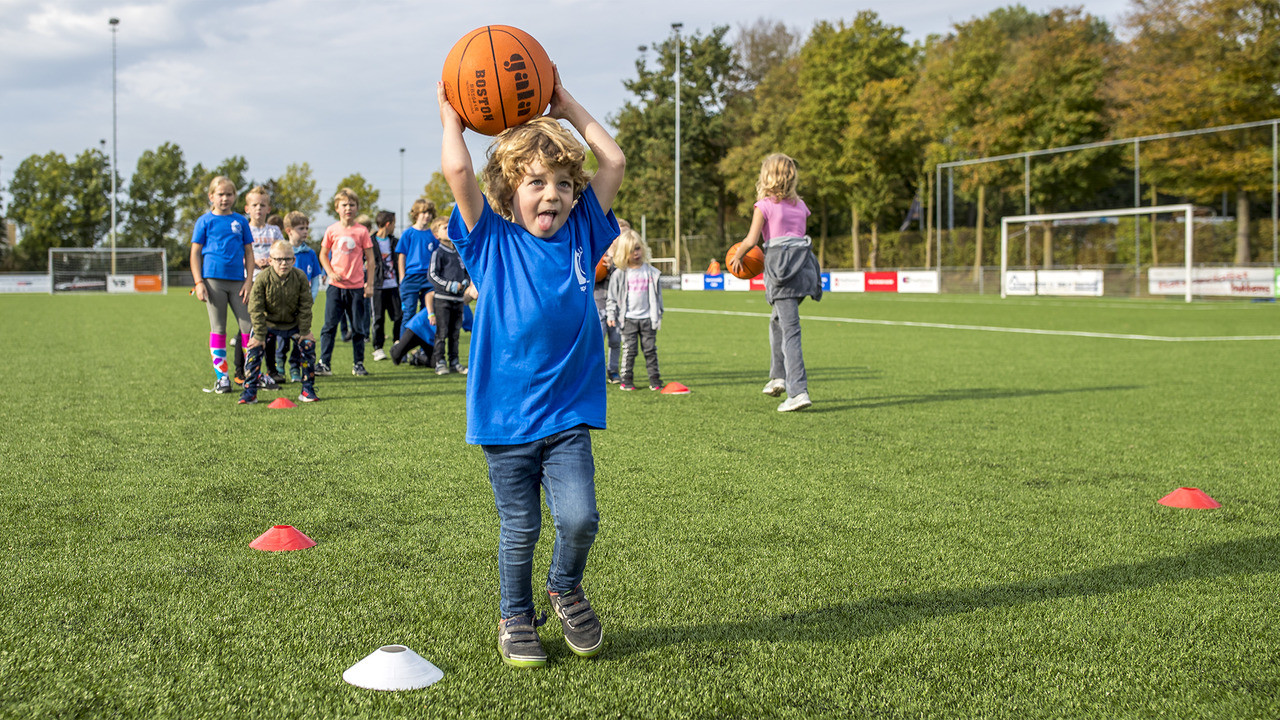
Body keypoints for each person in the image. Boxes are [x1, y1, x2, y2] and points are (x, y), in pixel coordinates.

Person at [437, 65, 625, 668]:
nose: (553, 194)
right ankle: (515, 617)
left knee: (580, 517)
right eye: (537, 182)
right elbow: (460, 169)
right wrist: (452, 119)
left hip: (566, 418)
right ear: (508, 192)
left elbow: (613, 162)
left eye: (565, 183)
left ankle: (564, 586)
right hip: (505, 419)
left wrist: (565, 102)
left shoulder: (582, 235)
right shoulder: (489, 240)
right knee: (519, 530)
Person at [728, 153, 823, 412]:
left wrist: (737, 256)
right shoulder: (801, 205)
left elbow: (751, 240)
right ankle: (778, 376)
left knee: (790, 331)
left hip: (781, 271)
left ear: (766, 176)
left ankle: (798, 391)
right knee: (778, 322)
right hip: (803, 269)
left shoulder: (765, 205)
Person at [190, 176, 254, 395]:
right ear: (211, 197)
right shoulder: (204, 221)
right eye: (220, 194)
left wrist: (248, 281)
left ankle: (251, 375)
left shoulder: (241, 221)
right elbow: (195, 253)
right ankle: (222, 378)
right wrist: (199, 282)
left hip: (238, 282)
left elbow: (249, 252)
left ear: (235, 197)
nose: (225, 198)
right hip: (212, 281)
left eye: (229, 194)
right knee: (219, 329)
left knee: (248, 327)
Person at [240, 240, 319, 404]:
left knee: (308, 345)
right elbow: (255, 308)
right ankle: (250, 392)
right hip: (268, 325)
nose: (283, 263)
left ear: (294, 260)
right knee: (253, 348)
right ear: (270, 261)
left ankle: (307, 389)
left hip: (293, 324)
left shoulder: (300, 277)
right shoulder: (262, 278)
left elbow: (306, 305)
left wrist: (304, 331)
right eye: (278, 259)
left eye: (288, 259)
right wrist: (260, 335)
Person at [317, 188, 375, 377]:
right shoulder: (332, 230)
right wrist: (330, 273)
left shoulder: (362, 231)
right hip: (336, 287)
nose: (348, 208)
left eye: (352, 205)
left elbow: (371, 260)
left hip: (357, 288)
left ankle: (358, 364)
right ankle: (324, 363)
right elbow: (323, 254)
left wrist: (370, 283)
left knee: (358, 328)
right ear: (337, 208)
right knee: (329, 326)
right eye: (344, 205)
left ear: (357, 208)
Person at [605, 228, 664, 391]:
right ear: (624, 253)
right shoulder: (620, 274)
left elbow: (658, 298)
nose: (635, 253)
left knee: (650, 350)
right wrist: (611, 314)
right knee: (629, 351)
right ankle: (626, 380)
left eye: (637, 248)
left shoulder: (652, 273)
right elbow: (612, 297)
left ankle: (655, 380)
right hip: (628, 319)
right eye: (631, 251)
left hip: (647, 319)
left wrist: (658, 315)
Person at [242, 186, 285, 387]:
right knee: (248, 327)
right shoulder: (244, 228)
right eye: (254, 205)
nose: (258, 208)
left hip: (271, 284)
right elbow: (238, 255)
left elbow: (282, 251)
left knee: (270, 329)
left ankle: (272, 369)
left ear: (268, 209)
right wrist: (252, 262)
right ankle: (242, 369)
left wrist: (272, 260)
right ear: (247, 208)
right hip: (250, 284)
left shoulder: (274, 230)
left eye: (262, 205)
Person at [278, 211, 324, 383]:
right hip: (285, 305)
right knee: (282, 337)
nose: (305, 231)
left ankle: (294, 367)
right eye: (301, 228)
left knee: (301, 336)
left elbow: (315, 278)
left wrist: (310, 299)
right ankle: (279, 365)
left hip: (303, 305)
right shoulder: (284, 252)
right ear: (289, 230)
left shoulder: (310, 253)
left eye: (307, 228)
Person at [428, 230, 471, 374]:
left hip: (458, 300)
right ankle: (440, 362)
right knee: (442, 333)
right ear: (436, 234)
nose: (448, 229)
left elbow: (466, 271)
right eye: (444, 227)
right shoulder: (438, 253)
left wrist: (465, 283)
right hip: (442, 300)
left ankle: (454, 362)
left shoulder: (459, 253)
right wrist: (450, 285)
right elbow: (432, 275)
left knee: (455, 333)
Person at [397, 198, 438, 328]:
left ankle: (424, 347)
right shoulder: (408, 233)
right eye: (423, 212)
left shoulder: (433, 235)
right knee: (409, 312)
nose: (427, 216)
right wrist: (402, 277)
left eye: (429, 213)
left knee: (428, 312)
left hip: (429, 278)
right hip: (411, 277)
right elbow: (401, 256)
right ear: (416, 214)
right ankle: (403, 346)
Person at [593, 221, 624, 384]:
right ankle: (595, 373)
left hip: (617, 308)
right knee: (597, 342)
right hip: (598, 306)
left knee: (615, 341)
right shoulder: (597, 251)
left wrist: (612, 268)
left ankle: (613, 370)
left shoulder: (622, 260)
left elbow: (623, 280)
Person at [369, 210, 402, 362]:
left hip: (393, 286)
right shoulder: (370, 242)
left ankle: (398, 344)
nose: (394, 227)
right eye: (394, 223)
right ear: (388, 224)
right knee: (378, 317)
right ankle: (378, 348)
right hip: (377, 286)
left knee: (398, 316)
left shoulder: (395, 242)